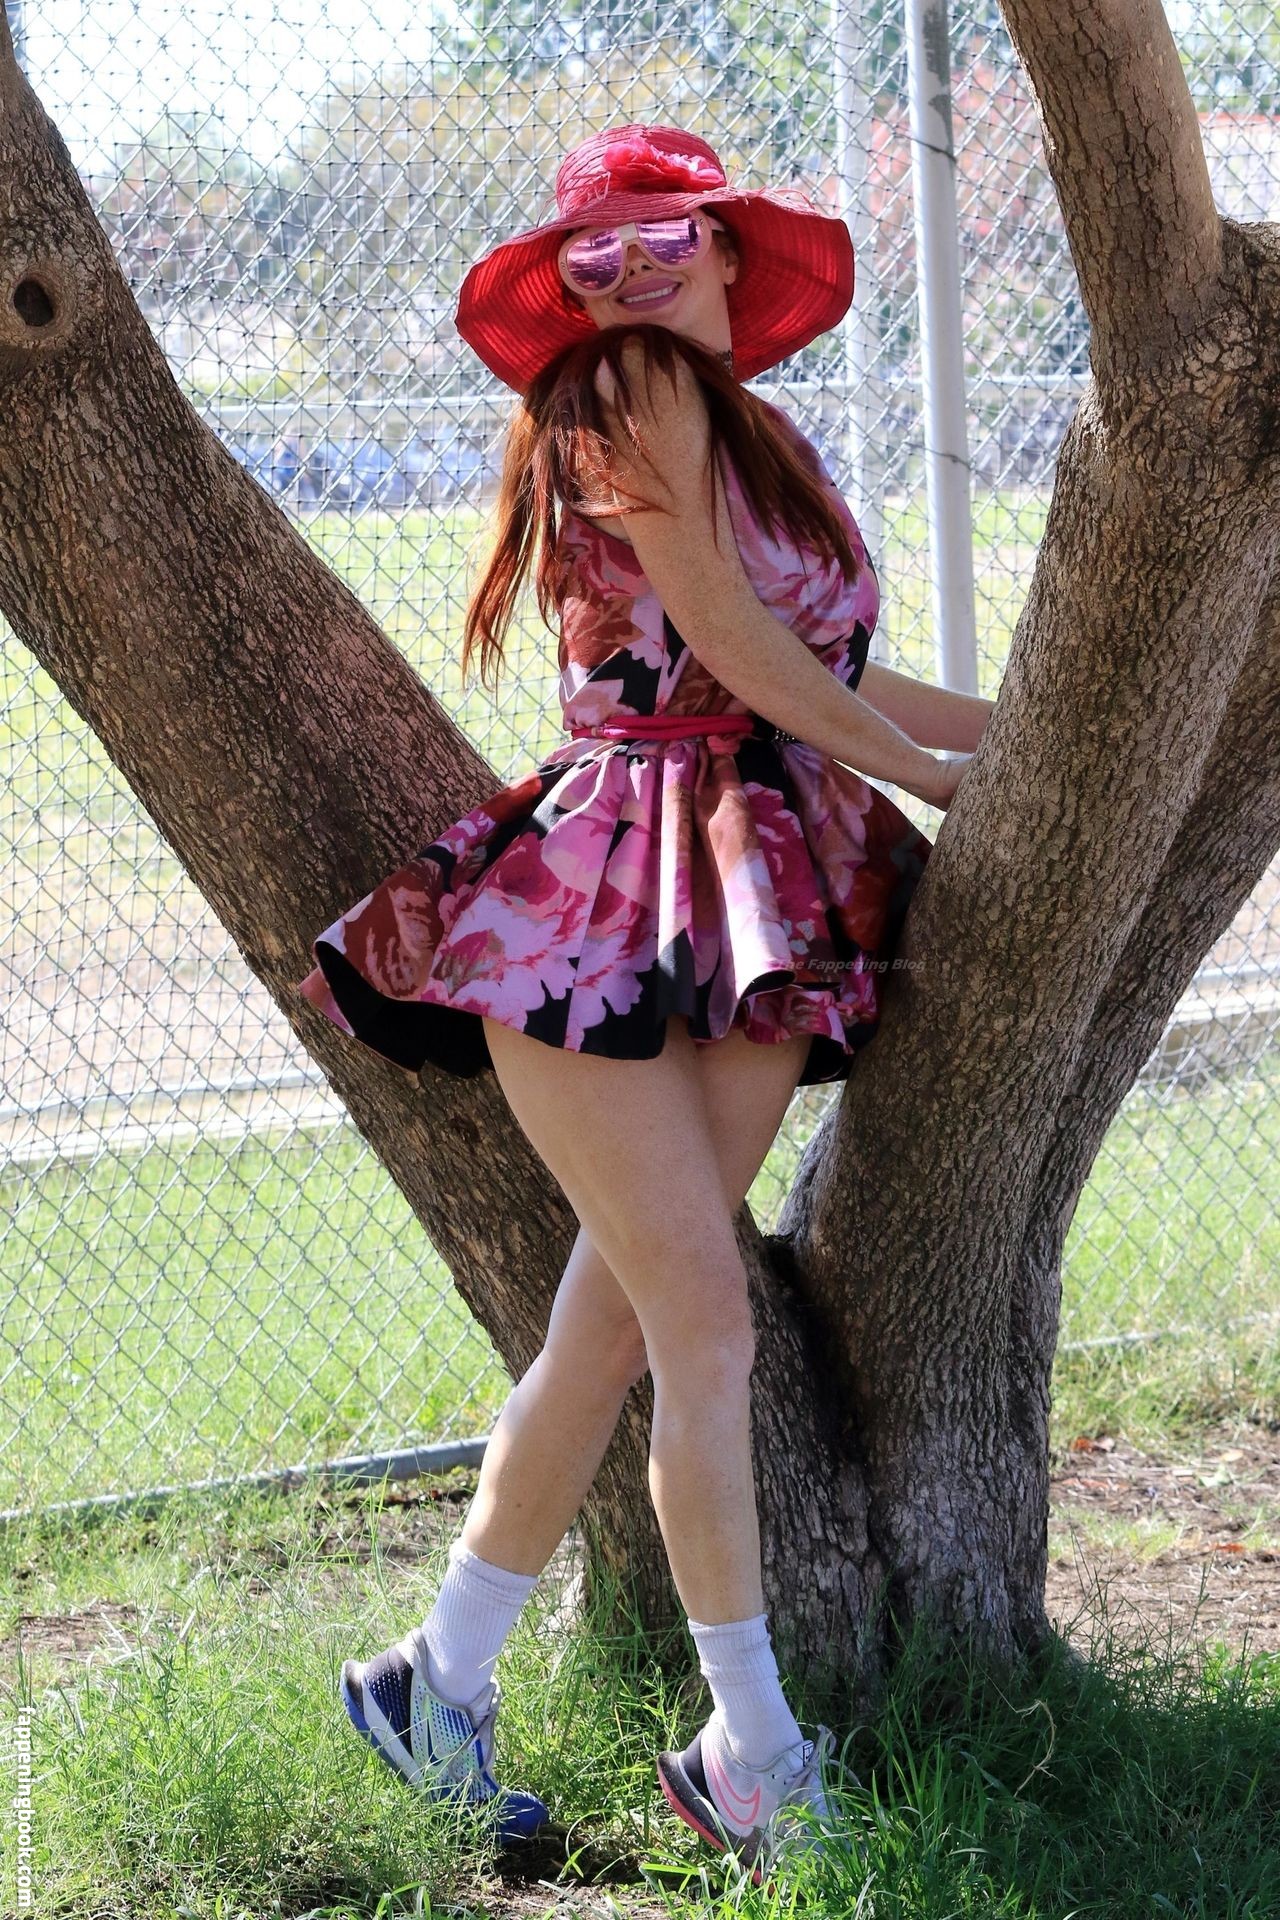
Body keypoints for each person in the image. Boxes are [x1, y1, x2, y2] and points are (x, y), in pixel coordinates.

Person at [295, 123, 980, 1886]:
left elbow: (825, 663)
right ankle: (754, 1751)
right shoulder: (628, 391)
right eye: (587, 258)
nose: (621, 279)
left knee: (614, 1330)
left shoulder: (759, 432)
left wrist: (1021, 742)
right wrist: (930, 780)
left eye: (657, 240)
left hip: (750, 887)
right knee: (706, 1326)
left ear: (732, 249)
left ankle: (433, 1680)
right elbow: (729, 646)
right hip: (599, 900)